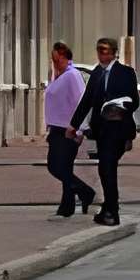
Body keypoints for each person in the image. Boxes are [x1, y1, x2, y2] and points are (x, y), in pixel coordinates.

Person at [69, 36, 139, 226]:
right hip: (102, 130)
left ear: (114, 53)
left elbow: (134, 100)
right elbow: (86, 101)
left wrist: (119, 108)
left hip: (119, 128)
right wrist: (73, 125)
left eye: (105, 50)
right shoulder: (97, 74)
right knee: (106, 169)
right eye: (99, 50)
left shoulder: (126, 72)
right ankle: (109, 208)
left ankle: (112, 211)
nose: (101, 54)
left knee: (107, 167)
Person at [43, 44, 95, 218]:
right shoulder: (59, 75)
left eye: (56, 58)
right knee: (64, 167)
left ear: (64, 56)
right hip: (56, 128)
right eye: (53, 59)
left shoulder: (72, 75)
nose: (54, 62)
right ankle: (67, 206)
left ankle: (86, 191)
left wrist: (79, 130)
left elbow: (80, 102)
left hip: (67, 129)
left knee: (56, 166)